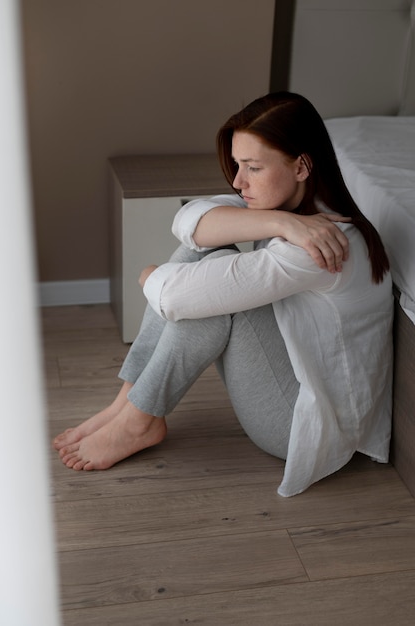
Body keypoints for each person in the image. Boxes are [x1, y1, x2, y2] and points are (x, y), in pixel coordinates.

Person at [53, 91, 393, 497]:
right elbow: (190, 221)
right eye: (237, 165)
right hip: (297, 380)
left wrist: (149, 276)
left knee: (209, 298)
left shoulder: (323, 247)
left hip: (304, 426)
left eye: (253, 167)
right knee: (204, 252)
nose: (238, 181)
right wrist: (283, 222)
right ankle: (126, 405)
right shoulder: (299, 216)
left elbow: (177, 297)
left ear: (301, 166)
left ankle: (140, 419)